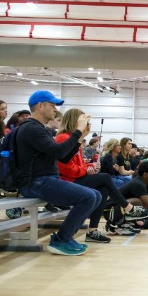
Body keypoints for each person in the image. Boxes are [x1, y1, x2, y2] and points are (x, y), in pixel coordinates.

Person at [15, 90, 101, 256]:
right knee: (89, 196)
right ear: (40, 106)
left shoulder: (40, 129)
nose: (55, 109)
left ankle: (67, 237)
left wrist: (79, 138)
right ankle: (61, 240)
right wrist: (77, 131)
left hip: (44, 180)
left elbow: (63, 157)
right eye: (52, 105)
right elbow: (60, 152)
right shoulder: (31, 128)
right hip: (35, 182)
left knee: (95, 195)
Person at [55, 109, 148, 241]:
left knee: (103, 189)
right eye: (85, 122)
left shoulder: (73, 140)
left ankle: (93, 231)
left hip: (75, 178)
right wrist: (85, 170)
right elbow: (65, 168)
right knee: (105, 178)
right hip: (67, 181)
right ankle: (128, 208)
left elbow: (79, 164)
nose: (87, 124)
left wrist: (90, 167)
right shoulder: (64, 138)